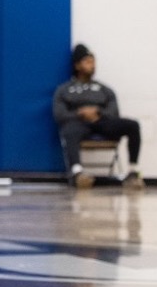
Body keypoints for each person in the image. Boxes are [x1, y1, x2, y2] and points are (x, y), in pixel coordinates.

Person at [55, 44, 143, 191]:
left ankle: (133, 173)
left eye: (93, 61)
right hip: (78, 123)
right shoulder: (64, 90)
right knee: (68, 130)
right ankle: (77, 174)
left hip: (102, 121)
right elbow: (59, 114)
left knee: (133, 125)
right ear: (77, 65)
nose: (92, 65)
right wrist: (80, 113)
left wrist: (98, 112)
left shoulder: (104, 90)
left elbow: (114, 111)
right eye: (87, 61)